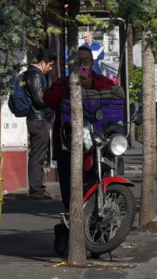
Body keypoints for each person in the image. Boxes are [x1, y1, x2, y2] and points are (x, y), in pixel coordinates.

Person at [43, 46, 118, 209]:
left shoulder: (101, 80)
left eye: (87, 61)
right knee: (68, 186)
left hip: (96, 143)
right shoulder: (63, 82)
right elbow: (48, 99)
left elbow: (114, 93)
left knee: (95, 179)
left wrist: (92, 84)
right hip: (67, 144)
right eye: (79, 61)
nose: (83, 64)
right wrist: (69, 86)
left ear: (92, 63)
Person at [24, 49, 57, 199]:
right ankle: (36, 188)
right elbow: (39, 99)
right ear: (43, 62)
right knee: (37, 155)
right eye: (50, 65)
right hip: (38, 119)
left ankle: (37, 187)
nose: (50, 69)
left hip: (38, 118)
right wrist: (53, 103)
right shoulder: (35, 75)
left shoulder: (34, 75)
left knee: (39, 154)